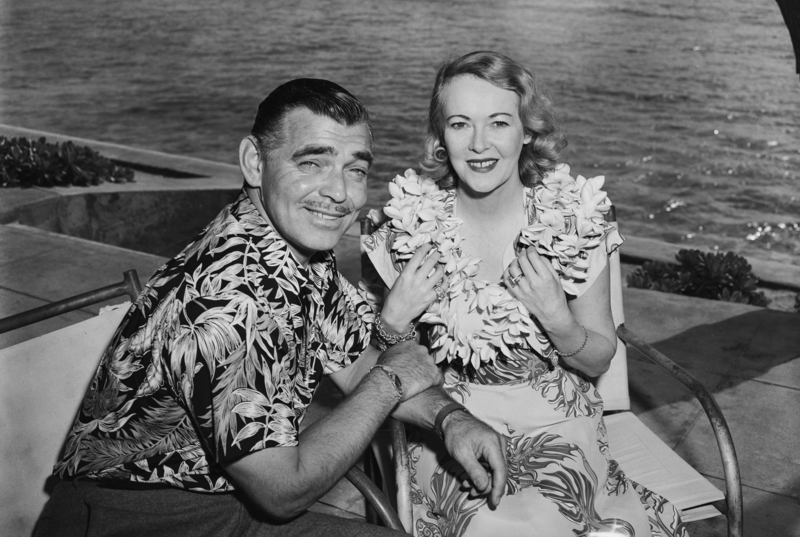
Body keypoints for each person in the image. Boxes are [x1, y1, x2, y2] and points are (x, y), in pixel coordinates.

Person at [35, 78, 507, 537]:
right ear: (254, 163)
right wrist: (392, 380)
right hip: (136, 519)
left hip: (227, 506)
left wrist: (451, 420)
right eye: (311, 164)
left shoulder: (298, 252)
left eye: (356, 170)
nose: (339, 193)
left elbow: (358, 361)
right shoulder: (225, 299)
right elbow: (284, 489)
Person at [364, 52, 689, 536]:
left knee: (556, 517)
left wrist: (558, 319)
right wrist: (390, 323)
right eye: (459, 124)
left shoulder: (575, 220)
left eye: (498, 122)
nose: (479, 144)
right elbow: (367, 377)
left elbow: (599, 359)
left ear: (527, 132)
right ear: (440, 137)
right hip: (452, 431)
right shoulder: (403, 231)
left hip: (560, 427)